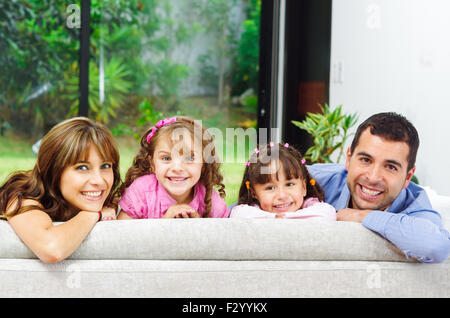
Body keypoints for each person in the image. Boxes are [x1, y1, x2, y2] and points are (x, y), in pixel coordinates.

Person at [308, 112, 450, 263]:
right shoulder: (316, 179)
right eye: (365, 160)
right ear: (349, 159)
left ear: (408, 177)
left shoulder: (414, 206)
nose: (373, 177)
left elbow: (436, 247)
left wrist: (362, 216)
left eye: (390, 167)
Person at [0, 117, 121, 263]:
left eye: (105, 166)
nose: (99, 181)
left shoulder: (117, 203)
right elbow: (52, 249)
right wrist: (94, 214)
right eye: (82, 167)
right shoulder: (20, 195)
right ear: (52, 171)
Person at [117, 116, 229, 219]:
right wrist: (164, 225)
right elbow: (120, 235)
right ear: (152, 164)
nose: (177, 168)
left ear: (203, 165)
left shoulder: (209, 199)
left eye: (189, 158)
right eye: (166, 158)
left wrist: (198, 226)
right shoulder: (142, 192)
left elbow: (228, 236)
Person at [230, 142, 336, 220]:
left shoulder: (313, 207)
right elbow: (238, 214)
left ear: (304, 187)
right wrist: (274, 218)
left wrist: (283, 218)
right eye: (270, 188)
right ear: (254, 193)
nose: (282, 196)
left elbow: (327, 213)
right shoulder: (252, 211)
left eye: (289, 184)